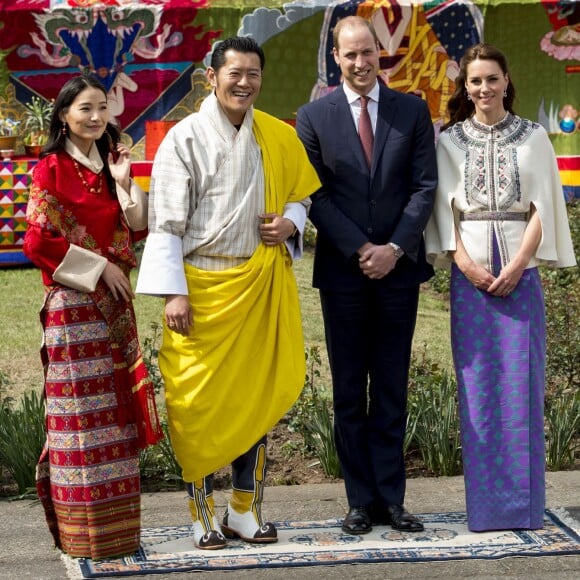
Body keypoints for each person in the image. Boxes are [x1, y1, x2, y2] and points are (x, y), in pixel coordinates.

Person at [136, 36, 321, 550]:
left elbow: (301, 195)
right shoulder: (184, 138)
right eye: (234, 72)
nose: (244, 82)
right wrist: (173, 294)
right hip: (200, 289)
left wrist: (290, 223)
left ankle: (245, 510)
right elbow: (166, 225)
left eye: (253, 73)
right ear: (211, 77)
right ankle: (201, 515)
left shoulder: (278, 136)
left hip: (260, 285)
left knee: (255, 399)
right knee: (197, 404)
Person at [425, 43, 576, 532]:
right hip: (471, 278)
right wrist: (466, 266)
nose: (484, 89)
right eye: (475, 81)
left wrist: (518, 265)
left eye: (492, 79)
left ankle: (524, 510)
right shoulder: (449, 141)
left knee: (521, 386)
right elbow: (443, 215)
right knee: (478, 389)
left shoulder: (534, 138)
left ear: (507, 81)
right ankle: (486, 510)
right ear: (464, 87)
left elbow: (543, 209)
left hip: (520, 276)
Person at [296, 16, 437, 535]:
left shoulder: (413, 110)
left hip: (399, 273)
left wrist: (395, 248)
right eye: (349, 54)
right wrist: (362, 249)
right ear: (336, 57)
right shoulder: (313, 116)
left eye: (368, 52)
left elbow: (425, 186)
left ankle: (392, 500)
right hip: (344, 274)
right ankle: (359, 500)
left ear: (381, 53)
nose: (360, 63)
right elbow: (316, 194)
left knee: (393, 387)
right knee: (349, 390)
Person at [23, 75, 163, 560]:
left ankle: (120, 533)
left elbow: (139, 225)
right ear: (64, 115)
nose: (96, 116)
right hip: (74, 308)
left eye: (102, 107)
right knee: (79, 420)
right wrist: (101, 267)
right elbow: (38, 241)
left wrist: (125, 182)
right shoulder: (50, 170)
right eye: (85, 108)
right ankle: (82, 536)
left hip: (113, 311)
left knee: (115, 420)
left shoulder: (110, 167)